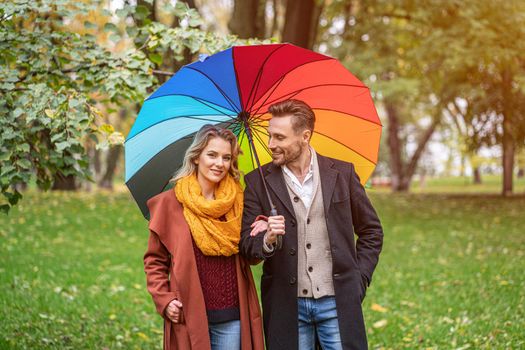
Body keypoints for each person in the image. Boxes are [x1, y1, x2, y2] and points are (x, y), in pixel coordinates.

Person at [240, 99, 384, 350]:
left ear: (304, 136)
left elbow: (371, 231)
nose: (271, 144)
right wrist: (267, 240)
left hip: (337, 301)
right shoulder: (256, 182)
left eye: (279, 137)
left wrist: (358, 279)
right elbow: (247, 245)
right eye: (269, 136)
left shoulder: (342, 173)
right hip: (287, 305)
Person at [144, 125, 265, 350]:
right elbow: (154, 261)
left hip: (233, 314)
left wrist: (262, 234)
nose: (219, 163)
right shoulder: (170, 203)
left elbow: (250, 256)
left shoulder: (238, 201)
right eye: (212, 155)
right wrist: (164, 299)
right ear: (197, 156)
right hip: (189, 311)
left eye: (226, 157)